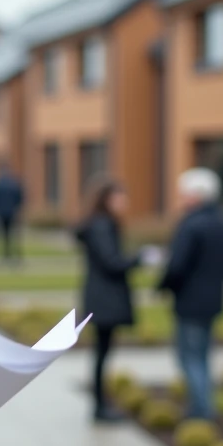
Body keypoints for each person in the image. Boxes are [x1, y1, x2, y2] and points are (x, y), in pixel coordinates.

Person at [158, 168, 223, 420]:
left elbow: (177, 265)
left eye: (184, 194)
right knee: (202, 355)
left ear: (196, 196)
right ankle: (202, 405)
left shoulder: (190, 225)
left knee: (188, 356)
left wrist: (164, 286)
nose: (181, 199)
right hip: (213, 300)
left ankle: (202, 410)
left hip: (190, 301)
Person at [75, 179, 142, 422]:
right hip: (105, 297)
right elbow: (112, 262)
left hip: (100, 295)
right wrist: (138, 259)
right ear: (107, 200)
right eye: (119, 198)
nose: (124, 203)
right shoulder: (102, 226)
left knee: (102, 352)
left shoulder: (98, 225)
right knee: (102, 353)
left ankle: (101, 404)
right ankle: (100, 406)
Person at [0, 162, 24, 262]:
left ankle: (0, 255)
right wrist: (17, 208)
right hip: (12, 212)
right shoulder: (14, 183)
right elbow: (20, 197)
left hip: (0, 212)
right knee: (12, 235)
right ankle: (13, 255)